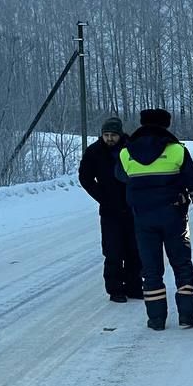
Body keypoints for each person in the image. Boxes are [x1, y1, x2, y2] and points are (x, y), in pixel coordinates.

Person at [116, 108, 193, 330]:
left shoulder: (125, 153)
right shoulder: (177, 151)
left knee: (150, 269)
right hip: (174, 217)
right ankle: (187, 315)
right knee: (182, 265)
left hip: (142, 219)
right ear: (165, 125)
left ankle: (156, 319)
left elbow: (120, 176)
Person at [78, 116, 143, 303]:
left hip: (132, 208)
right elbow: (85, 178)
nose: (109, 139)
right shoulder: (94, 152)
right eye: (106, 135)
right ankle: (115, 289)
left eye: (113, 135)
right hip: (110, 210)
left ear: (119, 134)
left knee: (135, 250)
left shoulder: (131, 148)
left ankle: (134, 286)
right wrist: (102, 197)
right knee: (113, 251)